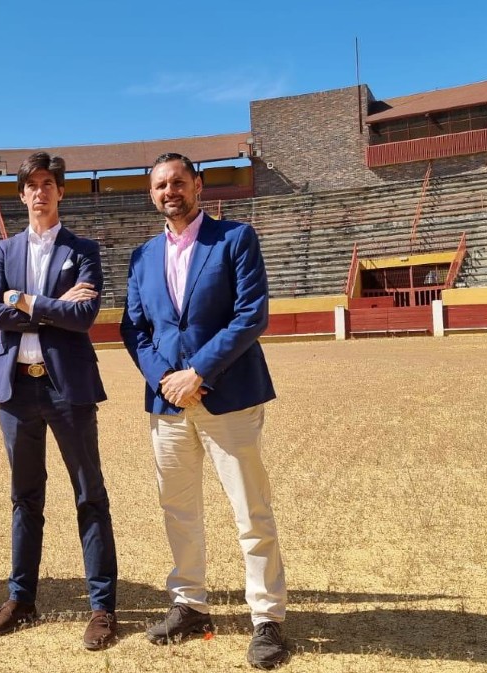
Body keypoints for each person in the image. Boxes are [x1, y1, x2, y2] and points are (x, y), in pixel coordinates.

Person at [119, 153, 288, 669]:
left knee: (250, 510)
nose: (170, 191)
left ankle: (267, 617)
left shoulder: (235, 238)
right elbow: (135, 328)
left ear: (197, 185)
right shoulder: (142, 256)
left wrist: (199, 373)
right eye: (160, 185)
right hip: (167, 402)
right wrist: (165, 381)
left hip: (228, 395)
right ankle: (190, 604)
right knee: (179, 508)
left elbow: (250, 314)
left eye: (178, 182)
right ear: (152, 195)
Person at [0, 152, 119, 651]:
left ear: (60, 192)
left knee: (89, 495)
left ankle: (101, 607)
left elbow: (84, 317)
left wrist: (28, 301)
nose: (40, 191)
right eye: (31, 185)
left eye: (48, 184)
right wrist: (47, 307)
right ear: (22, 195)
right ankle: (22, 598)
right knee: (25, 497)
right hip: (15, 390)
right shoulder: (3, 251)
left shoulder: (84, 249)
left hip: (68, 388)